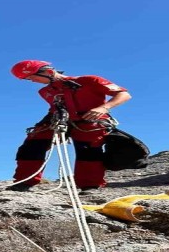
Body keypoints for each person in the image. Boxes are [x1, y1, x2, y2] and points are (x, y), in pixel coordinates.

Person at [8, 60, 132, 194]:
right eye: (27, 79)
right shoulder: (46, 91)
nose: (31, 80)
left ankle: (90, 186)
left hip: (90, 120)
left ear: (48, 72)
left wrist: (104, 108)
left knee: (88, 150)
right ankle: (24, 182)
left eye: (31, 76)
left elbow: (124, 94)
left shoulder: (89, 80)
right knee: (32, 145)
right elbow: (54, 108)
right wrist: (42, 124)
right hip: (60, 120)